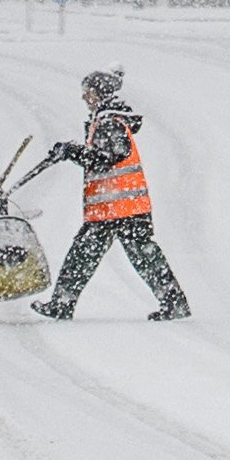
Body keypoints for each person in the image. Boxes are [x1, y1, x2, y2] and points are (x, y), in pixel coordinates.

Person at [38, 67, 192, 321]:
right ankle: (173, 302)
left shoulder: (110, 123)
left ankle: (61, 304)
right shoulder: (107, 121)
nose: (84, 98)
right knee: (138, 257)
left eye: (87, 93)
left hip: (119, 207)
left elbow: (105, 159)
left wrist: (72, 151)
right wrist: (70, 151)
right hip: (118, 207)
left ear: (99, 94)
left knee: (91, 256)